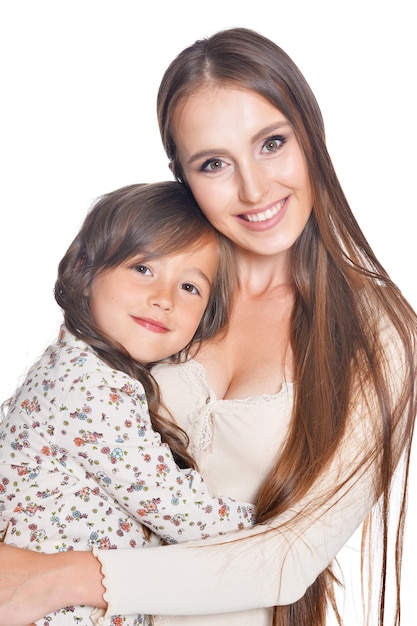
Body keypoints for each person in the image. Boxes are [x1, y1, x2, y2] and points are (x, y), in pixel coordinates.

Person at [0, 26, 416, 626]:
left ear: (311, 133)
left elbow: (292, 558)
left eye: (271, 143)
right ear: (183, 174)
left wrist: (50, 580)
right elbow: (49, 427)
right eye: (214, 163)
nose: (254, 188)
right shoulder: (156, 287)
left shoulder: (379, 333)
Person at [0, 181, 256, 626]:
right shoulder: (89, 387)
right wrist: (267, 525)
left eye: (191, 287)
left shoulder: (86, 365)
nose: (164, 298)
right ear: (85, 269)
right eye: (143, 268)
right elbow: (174, 507)